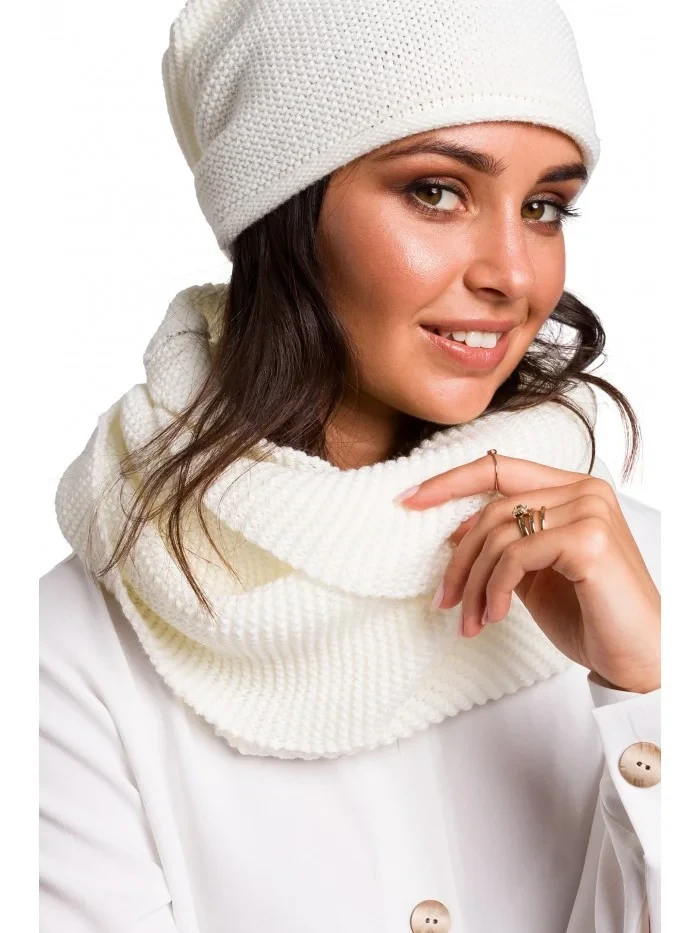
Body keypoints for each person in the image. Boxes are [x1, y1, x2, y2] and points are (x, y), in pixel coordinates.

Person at [39, 1, 661, 931]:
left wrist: (650, 697)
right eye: (437, 192)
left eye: (543, 207)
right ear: (282, 210)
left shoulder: (639, 580)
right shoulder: (77, 650)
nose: (514, 274)